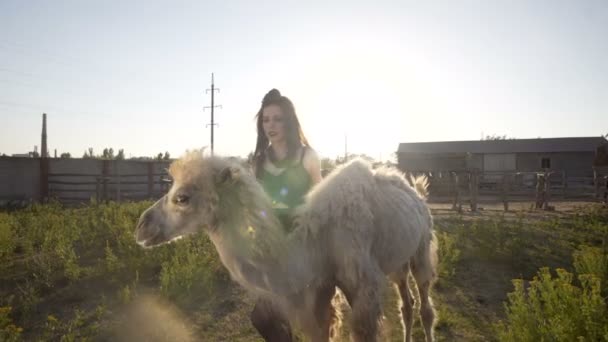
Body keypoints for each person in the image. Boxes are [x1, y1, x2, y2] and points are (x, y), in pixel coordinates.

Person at [249, 88, 323, 341]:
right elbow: (255, 204)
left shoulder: (307, 156)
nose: (271, 125)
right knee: (262, 317)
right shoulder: (258, 161)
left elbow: (320, 201)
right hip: (272, 245)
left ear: (289, 121)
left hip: (303, 243)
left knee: (284, 314)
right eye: (266, 119)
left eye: (277, 118)